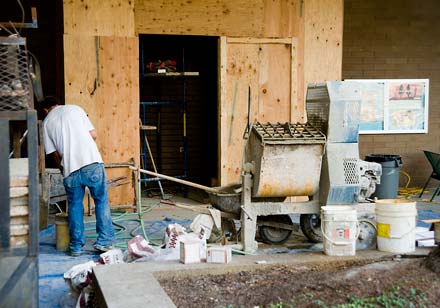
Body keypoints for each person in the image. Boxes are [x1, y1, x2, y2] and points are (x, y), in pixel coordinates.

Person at [41, 96, 115, 256]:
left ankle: (76, 247)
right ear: (57, 104)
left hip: (70, 169)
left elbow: (54, 154)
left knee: (74, 206)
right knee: (101, 201)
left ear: (46, 110)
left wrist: (64, 166)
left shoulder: (46, 123)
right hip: (91, 162)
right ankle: (104, 242)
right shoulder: (75, 108)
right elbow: (93, 135)